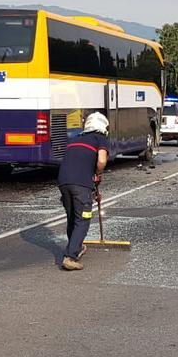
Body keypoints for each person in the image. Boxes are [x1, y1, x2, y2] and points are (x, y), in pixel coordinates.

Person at [57, 112, 109, 270]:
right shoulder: (100, 138)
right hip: (80, 185)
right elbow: (101, 161)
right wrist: (98, 173)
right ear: (103, 127)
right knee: (83, 219)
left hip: (63, 182)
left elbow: (79, 166)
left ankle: (76, 247)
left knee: (73, 217)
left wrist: (93, 191)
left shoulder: (75, 139)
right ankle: (70, 257)